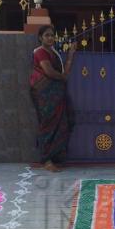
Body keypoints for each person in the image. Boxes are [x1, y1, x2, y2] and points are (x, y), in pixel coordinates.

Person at [29, 25, 77, 172]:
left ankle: (55, 157)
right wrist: (62, 77)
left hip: (56, 92)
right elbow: (49, 72)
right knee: (48, 123)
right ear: (40, 38)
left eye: (52, 35)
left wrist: (70, 55)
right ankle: (46, 159)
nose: (50, 38)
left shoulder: (54, 52)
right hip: (44, 93)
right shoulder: (40, 52)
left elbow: (64, 73)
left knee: (61, 121)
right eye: (47, 35)